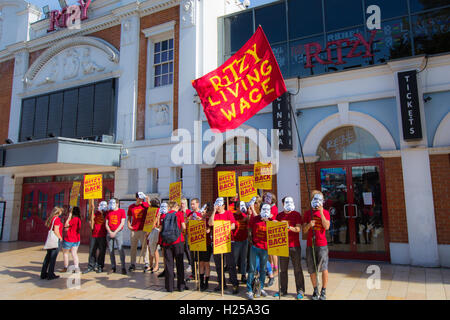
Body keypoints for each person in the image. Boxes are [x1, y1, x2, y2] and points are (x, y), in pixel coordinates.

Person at [274, 196, 306, 300]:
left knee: (297, 269)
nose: (288, 204)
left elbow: (298, 229)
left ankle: (300, 290)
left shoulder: (296, 214)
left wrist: (287, 227)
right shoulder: (279, 216)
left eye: (290, 202)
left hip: (294, 246)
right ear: (282, 204)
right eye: (286, 202)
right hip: (283, 246)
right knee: (283, 270)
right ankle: (283, 290)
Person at [302, 190, 330, 300]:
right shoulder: (308, 213)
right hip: (311, 244)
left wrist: (321, 212)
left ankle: (323, 290)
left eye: (320, 199)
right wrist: (309, 224)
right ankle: (315, 290)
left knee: (324, 268)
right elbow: (304, 230)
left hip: (322, 244)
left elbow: (327, 226)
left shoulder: (326, 212)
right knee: (312, 269)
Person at [208, 197, 239, 295]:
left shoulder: (228, 213)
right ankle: (221, 283)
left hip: (228, 242)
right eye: (216, 205)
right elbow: (210, 223)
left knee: (230, 264)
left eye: (219, 205)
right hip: (217, 243)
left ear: (224, 206)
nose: (217, 207)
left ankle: (234, 283)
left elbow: (233, 225)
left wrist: (223, 228)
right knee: (218, 264)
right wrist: (213, 212)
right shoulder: (215, 214)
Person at [246, 203, 273, 300]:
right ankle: (249, 289)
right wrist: (251, 240)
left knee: (263, 269)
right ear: (260, 210)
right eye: (264, 209)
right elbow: (249, 229)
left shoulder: (271, 221)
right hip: (255, 247)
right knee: (252, 269)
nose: (265, 211)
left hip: (265, 249)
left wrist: (268, 221)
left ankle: (260, 288)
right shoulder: (255, 219)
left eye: (267, 209)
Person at [159, 201, 187, 292]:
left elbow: (161, 229)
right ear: (176, 206)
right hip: (178, 241)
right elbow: (183, 227)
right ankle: (180, 286)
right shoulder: (179, 214)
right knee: (179, 264)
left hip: (167, 243)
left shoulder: (164, 215)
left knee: (169, 265)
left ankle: (169, 287)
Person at [128, 192, 150, 272]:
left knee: (144, 247)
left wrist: (148, 201)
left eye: (142, 198)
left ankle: (146, 263)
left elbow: (152, 211)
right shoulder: (131, 207)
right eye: (139, 198)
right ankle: (132, 263)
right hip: (134, 230)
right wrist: (129, 225)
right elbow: (129, 217)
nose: (141, 200)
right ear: (136, 198)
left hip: (143, 230)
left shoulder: (145, 205)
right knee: (133, 247)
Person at [84, 201, 108, 274]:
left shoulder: (107, 213)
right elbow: (90, 219)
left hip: (102, 235)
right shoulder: (96, 213)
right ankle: (91, 266)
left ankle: (100, 266)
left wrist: (102, 214)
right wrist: (91, 209)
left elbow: (106, 221)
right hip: (94, 235)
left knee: (102, 251)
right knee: (92, 251)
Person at [40, 207, 64, 280]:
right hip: (55, 240)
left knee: (47, 257)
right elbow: (56, 230)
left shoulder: (51, 218)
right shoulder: (56, 219)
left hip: (51, 240)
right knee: (52, 258)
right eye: (60, 211)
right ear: (58, 212)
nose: (61, 213)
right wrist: (60, 238)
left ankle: (43, 273)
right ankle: (51, 274)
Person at [105, 198, 127, 275]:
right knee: (111, 250)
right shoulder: (109, 212)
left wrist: (115, 232)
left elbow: (122, 222)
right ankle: (113, 266)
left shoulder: (121, 211)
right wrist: (110, 231)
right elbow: (106, 223)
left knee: (120, 249)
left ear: (117, 204)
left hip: (118, 233)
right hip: (110, 233)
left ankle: (123, 267)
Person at [232, 200, 249, 284]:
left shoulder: (245, 215)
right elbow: (232, 225)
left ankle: (243, 275)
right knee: (234, 259)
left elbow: (249, 224)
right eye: (240, 206)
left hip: (244, 239)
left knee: (244, 259)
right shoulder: (233, 215)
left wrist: (248, 216)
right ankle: (233, 276)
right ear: (237, 207)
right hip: (236, 240)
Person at [61, 206, 82, 273]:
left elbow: (66, 225)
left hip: (69, 238)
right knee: (74, 254)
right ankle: (76, 268)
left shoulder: (74, 219)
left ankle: (65, 267)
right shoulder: (79, 219)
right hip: (76, 239)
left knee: (65, 254)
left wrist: (69, 216)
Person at [197, 203, 212, 291]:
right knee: (201, 263)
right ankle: (201, 281)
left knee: (206, 263)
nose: (202, 212)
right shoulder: (197, 220)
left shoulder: (208, 220)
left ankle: (206, 281)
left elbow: (207, 231)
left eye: (204, 210)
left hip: (206, 244)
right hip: (199, 244)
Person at [263, 192, 279, 277]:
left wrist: (265, 217)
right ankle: (270, 268)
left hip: (272, 230)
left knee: (273, 252)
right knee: (269, 252)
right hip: (267, 230)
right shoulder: (268, 207)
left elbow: (270, 217)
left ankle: (276, 269)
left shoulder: (274, 208)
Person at [145, 198, 161, 273]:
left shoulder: (157, 211)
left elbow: (155, 222)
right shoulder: (150, 210)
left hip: (153, 230)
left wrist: (148, 231)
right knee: (149, 248)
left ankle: (156, 265)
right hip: (149, 230)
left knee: (154, 249)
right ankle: (150, 265)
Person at [179, 198, 193, 277]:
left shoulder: (188, 212)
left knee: (187, 248)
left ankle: (190, 263)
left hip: (187, 232)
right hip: (181, 232)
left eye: (183, 203)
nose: (182, 205)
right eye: (181, 203)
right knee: (183, 248)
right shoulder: (179, 212)